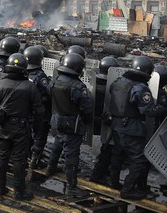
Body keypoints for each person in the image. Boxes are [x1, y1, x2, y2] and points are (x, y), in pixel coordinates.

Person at [109, 56, 166, 199]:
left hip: (116, 125)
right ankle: (127, 189)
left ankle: (113, 182)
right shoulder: (140, 88)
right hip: (130, 128)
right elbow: (148, 111)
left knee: (118, 154)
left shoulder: (118, 82)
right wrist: (164, 108)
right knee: (140, 159)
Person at [0, 54, 43, 200]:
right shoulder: (30, 86)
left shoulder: (0, 83)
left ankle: (0, 187)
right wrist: (38, 131)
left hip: (4, 126)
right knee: (19, 160)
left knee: (1, 157)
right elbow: (39, 111)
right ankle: (19, 191)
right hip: (21, 127)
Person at [46, 53, 92, 197]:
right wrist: (85, 121)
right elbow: (87, 109)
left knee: (57, 144)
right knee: (71, 155)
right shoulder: (78, 86)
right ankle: (72, 186)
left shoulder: (54, 81)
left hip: (56, 120)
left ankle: (50, 168)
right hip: (71, 124)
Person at [89, 56, 121, 186]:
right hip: (105, 122)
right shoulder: (115, 87)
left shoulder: (92, 83)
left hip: (91, 121)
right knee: (108, 150)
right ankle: (99, 175)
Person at [24, 46, 52, 169]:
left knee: (27, 133)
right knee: (40, 135)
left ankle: (27, 154)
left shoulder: (23, 72)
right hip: (39, 112)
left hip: (26, 110)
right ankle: (35, 160)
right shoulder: (40, 76)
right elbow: (46, 94)